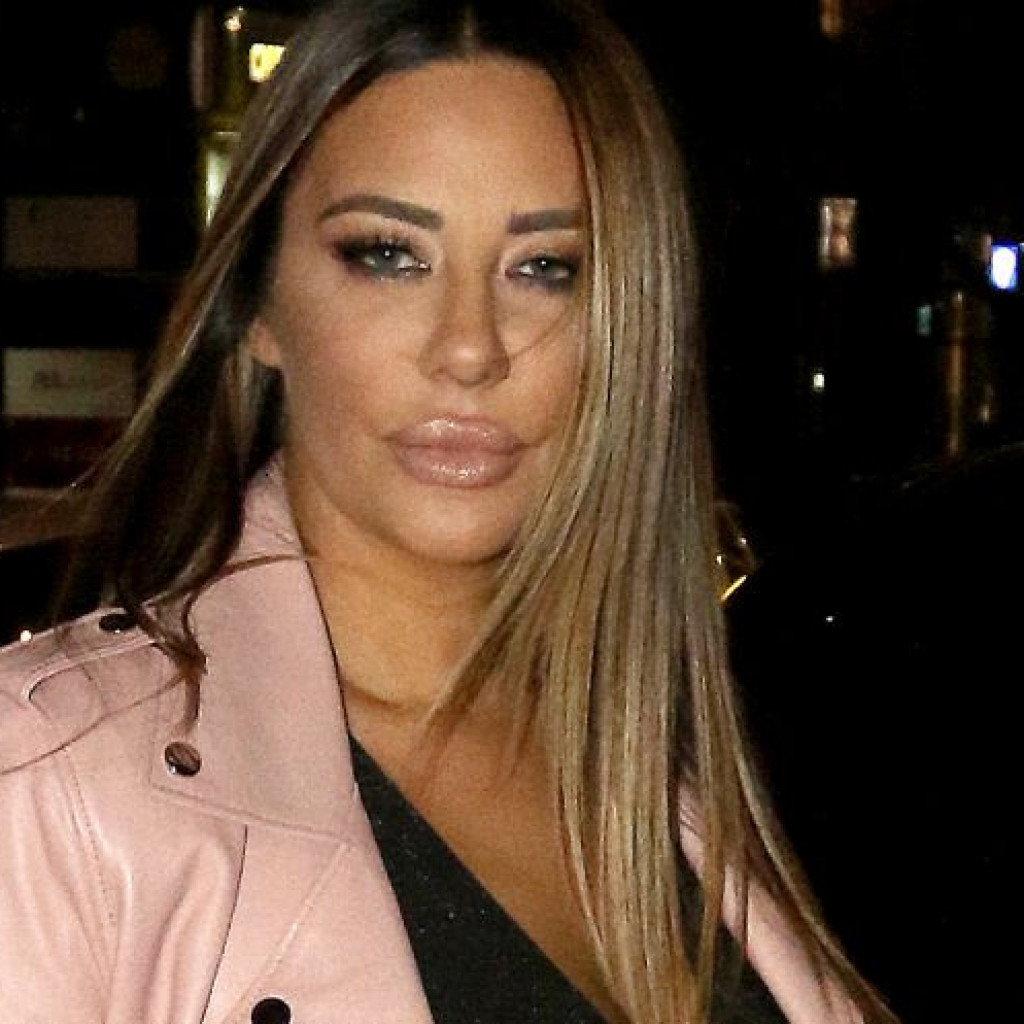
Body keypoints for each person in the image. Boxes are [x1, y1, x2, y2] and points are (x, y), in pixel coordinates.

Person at [0, 2, 896, 1022]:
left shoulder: (669, 761)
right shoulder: (50, 780)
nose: (469, 348)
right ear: (257, 305)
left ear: (626, 323)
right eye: (389, 254)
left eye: (545, 268)